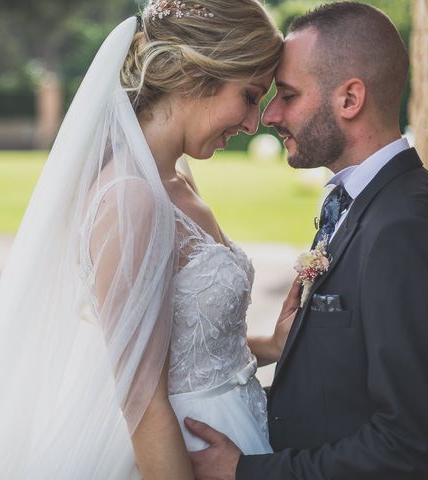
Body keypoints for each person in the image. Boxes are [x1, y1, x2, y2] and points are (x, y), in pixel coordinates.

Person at [0, 1, 289, 478]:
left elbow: (188, 352)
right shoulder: (130, 199)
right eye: (250, 96)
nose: (253, 123)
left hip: (232, 441)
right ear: (198, 74)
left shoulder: (176, 179)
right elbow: (142, 402)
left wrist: (270, 346)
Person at [184, 3, 428, 480]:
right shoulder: (356, 201)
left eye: (288, 95)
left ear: (350, 99)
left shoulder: (404, 227)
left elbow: (408, 444)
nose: (269, 115)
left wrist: (247, 472)